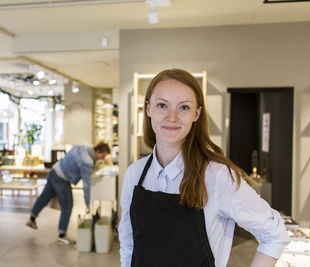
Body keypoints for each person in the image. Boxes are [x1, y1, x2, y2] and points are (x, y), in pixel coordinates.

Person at [118, 69, 290, 267]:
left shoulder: (217, 176)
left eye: (183, 107)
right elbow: (128, 244)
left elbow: (274, 233)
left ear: (196, 113)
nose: (172, 117)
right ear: (148, 109)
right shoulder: (135, 173)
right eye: (162, 105)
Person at [26, 141, 110, 245]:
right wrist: (87, 202)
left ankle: (32, 218)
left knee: (44, 197)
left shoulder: (83, 145)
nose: (102, 158)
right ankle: (62, 235)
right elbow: (86, 184)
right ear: (98, 151)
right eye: (103, 156)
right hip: (62, 178)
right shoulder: (87, 162)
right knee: (67, 206)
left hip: (54, 170)